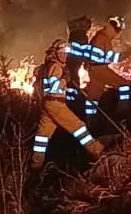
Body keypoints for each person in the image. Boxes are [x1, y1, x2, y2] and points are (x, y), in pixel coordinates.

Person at [32, 38, 103, 169]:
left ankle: (35, 165)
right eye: (62, 52)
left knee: (42, 136)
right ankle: (98, 151)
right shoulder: (56, 67)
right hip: (55, 104)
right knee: (78, 126)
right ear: (55, 53)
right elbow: (53, 87)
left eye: (66, 52)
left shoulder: (45, 67)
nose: (65, 55)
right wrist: (65, 79)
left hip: (46, 105)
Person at [83, 15, 131, 116]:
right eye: (117, 30)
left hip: (94, 69)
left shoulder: (99, 37)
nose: (117, 33)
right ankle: (123, 112)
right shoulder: (102, 39)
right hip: (100, 70)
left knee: (94, 97)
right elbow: (112, 58)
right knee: (124, 85)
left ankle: (90, 119)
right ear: (109, 27)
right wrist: (129, 53)